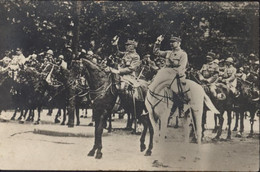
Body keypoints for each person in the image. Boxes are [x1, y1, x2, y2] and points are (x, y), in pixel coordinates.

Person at [149, 35, 190, 103]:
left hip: (176, 74)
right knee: (153, 82)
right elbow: (156, 52)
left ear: (179, 43)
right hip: (165, 72)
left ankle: (183, 103)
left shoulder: (183, 54)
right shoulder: (168, 52)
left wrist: (172, 72)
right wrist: (158, 42)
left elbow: (182, 67)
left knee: (179, 90)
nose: (171, 43)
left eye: (173, 42)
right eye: (170, 42)